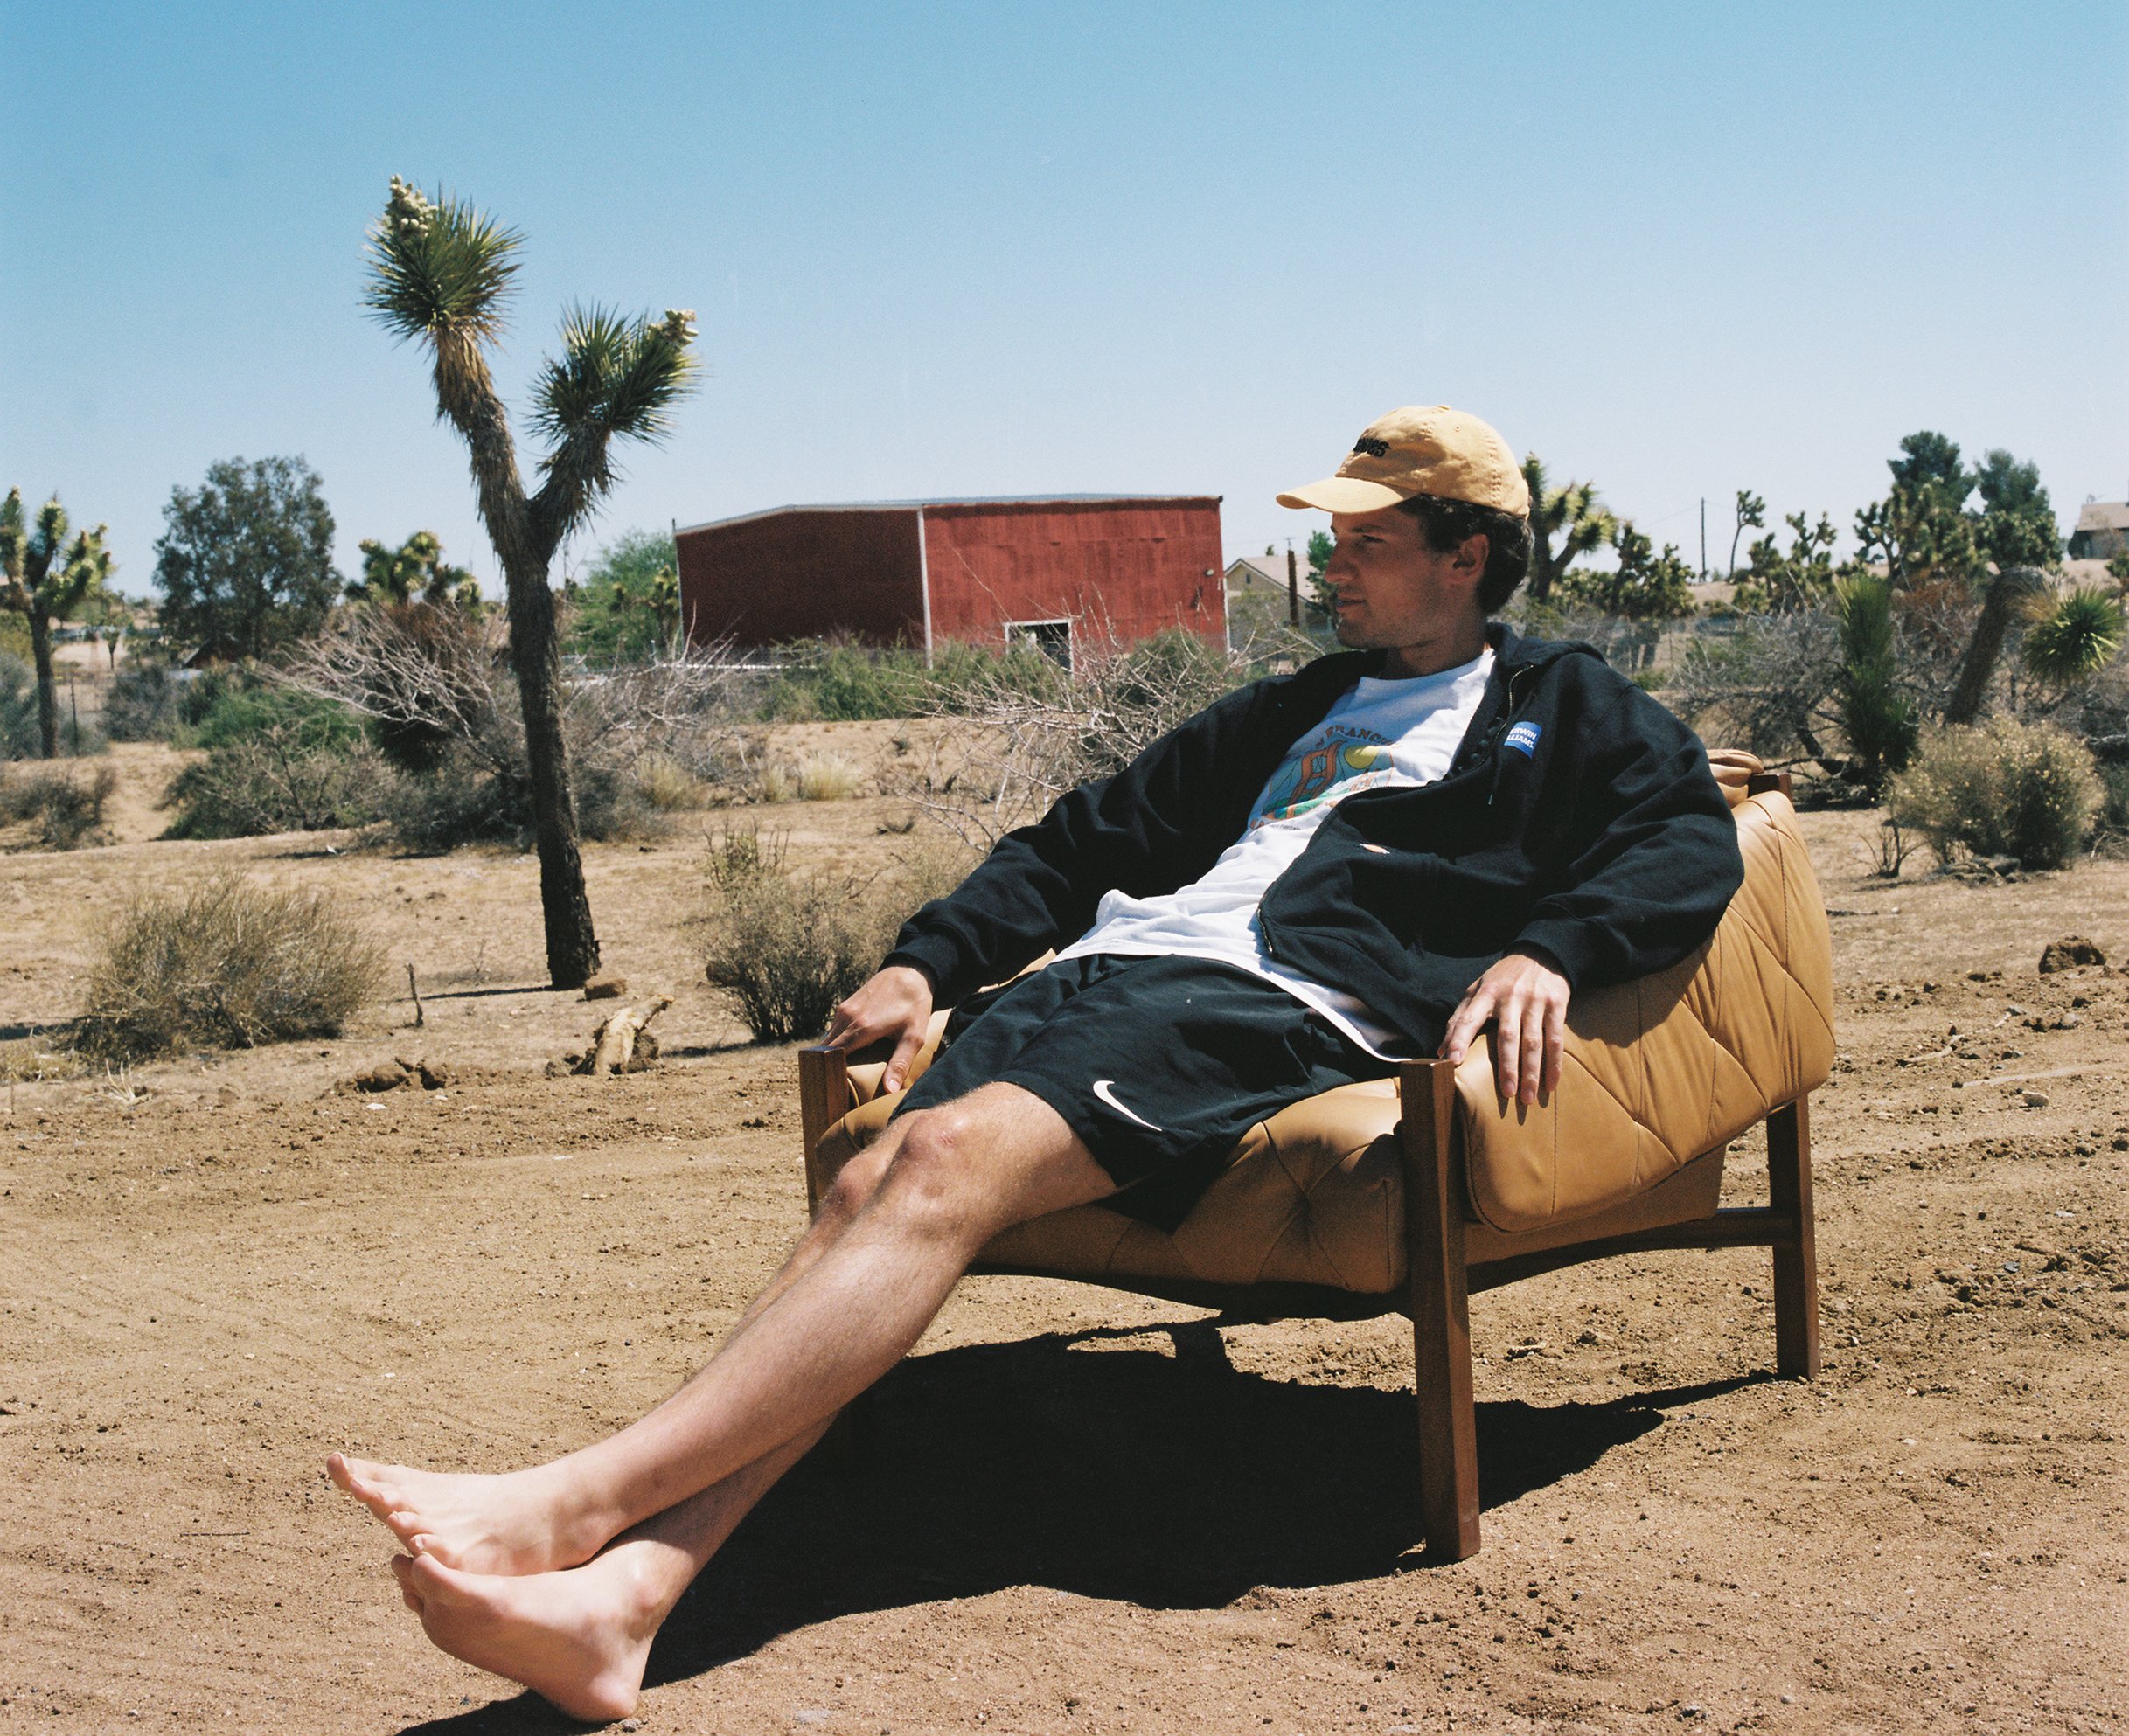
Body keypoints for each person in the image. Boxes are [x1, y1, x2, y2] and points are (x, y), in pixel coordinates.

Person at [329, 405, 1745, 1719]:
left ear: (1466, 556)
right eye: (1336, 538)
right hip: (1115, 973)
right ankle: (628, 1601)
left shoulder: (1560, 704)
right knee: (871, 1178)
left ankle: (573, 1506)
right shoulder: (1299, 706)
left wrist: (1553, 948)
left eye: (1368, 540)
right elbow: (1088, 838)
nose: (1334, 564)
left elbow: (1688, 835)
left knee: (945, 1156)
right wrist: (930, 963)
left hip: (1275, 1001)